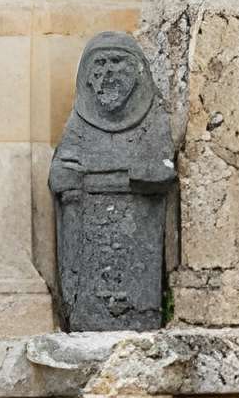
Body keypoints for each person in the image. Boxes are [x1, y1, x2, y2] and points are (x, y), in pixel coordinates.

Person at [49, 32, 176, 331]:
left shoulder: (153, 121)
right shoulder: (80, 124)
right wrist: (66, 177)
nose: (108, 73)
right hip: (89, 239)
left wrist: (95, 170)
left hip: (137, 233)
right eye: (100, 64)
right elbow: (59, 175)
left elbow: (160, 171)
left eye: (117, 62)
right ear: (88, 76)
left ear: (136, 70)